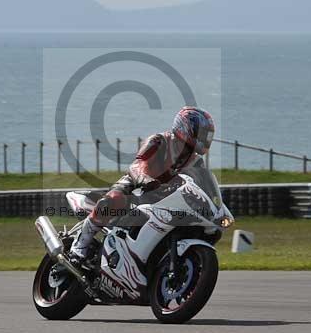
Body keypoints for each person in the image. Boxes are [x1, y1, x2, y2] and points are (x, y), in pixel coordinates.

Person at [69, 106, 215, 262]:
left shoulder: (196, 161)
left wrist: (215, 204)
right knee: (114, 199)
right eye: (203, 133)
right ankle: (80, 245)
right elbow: (138, 165)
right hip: (136, 185)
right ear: (186, 127)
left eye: (207, 135)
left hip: (165, 196)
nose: (205, 138)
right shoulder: (159, 141)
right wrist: (145, 179)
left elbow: (204, 185)